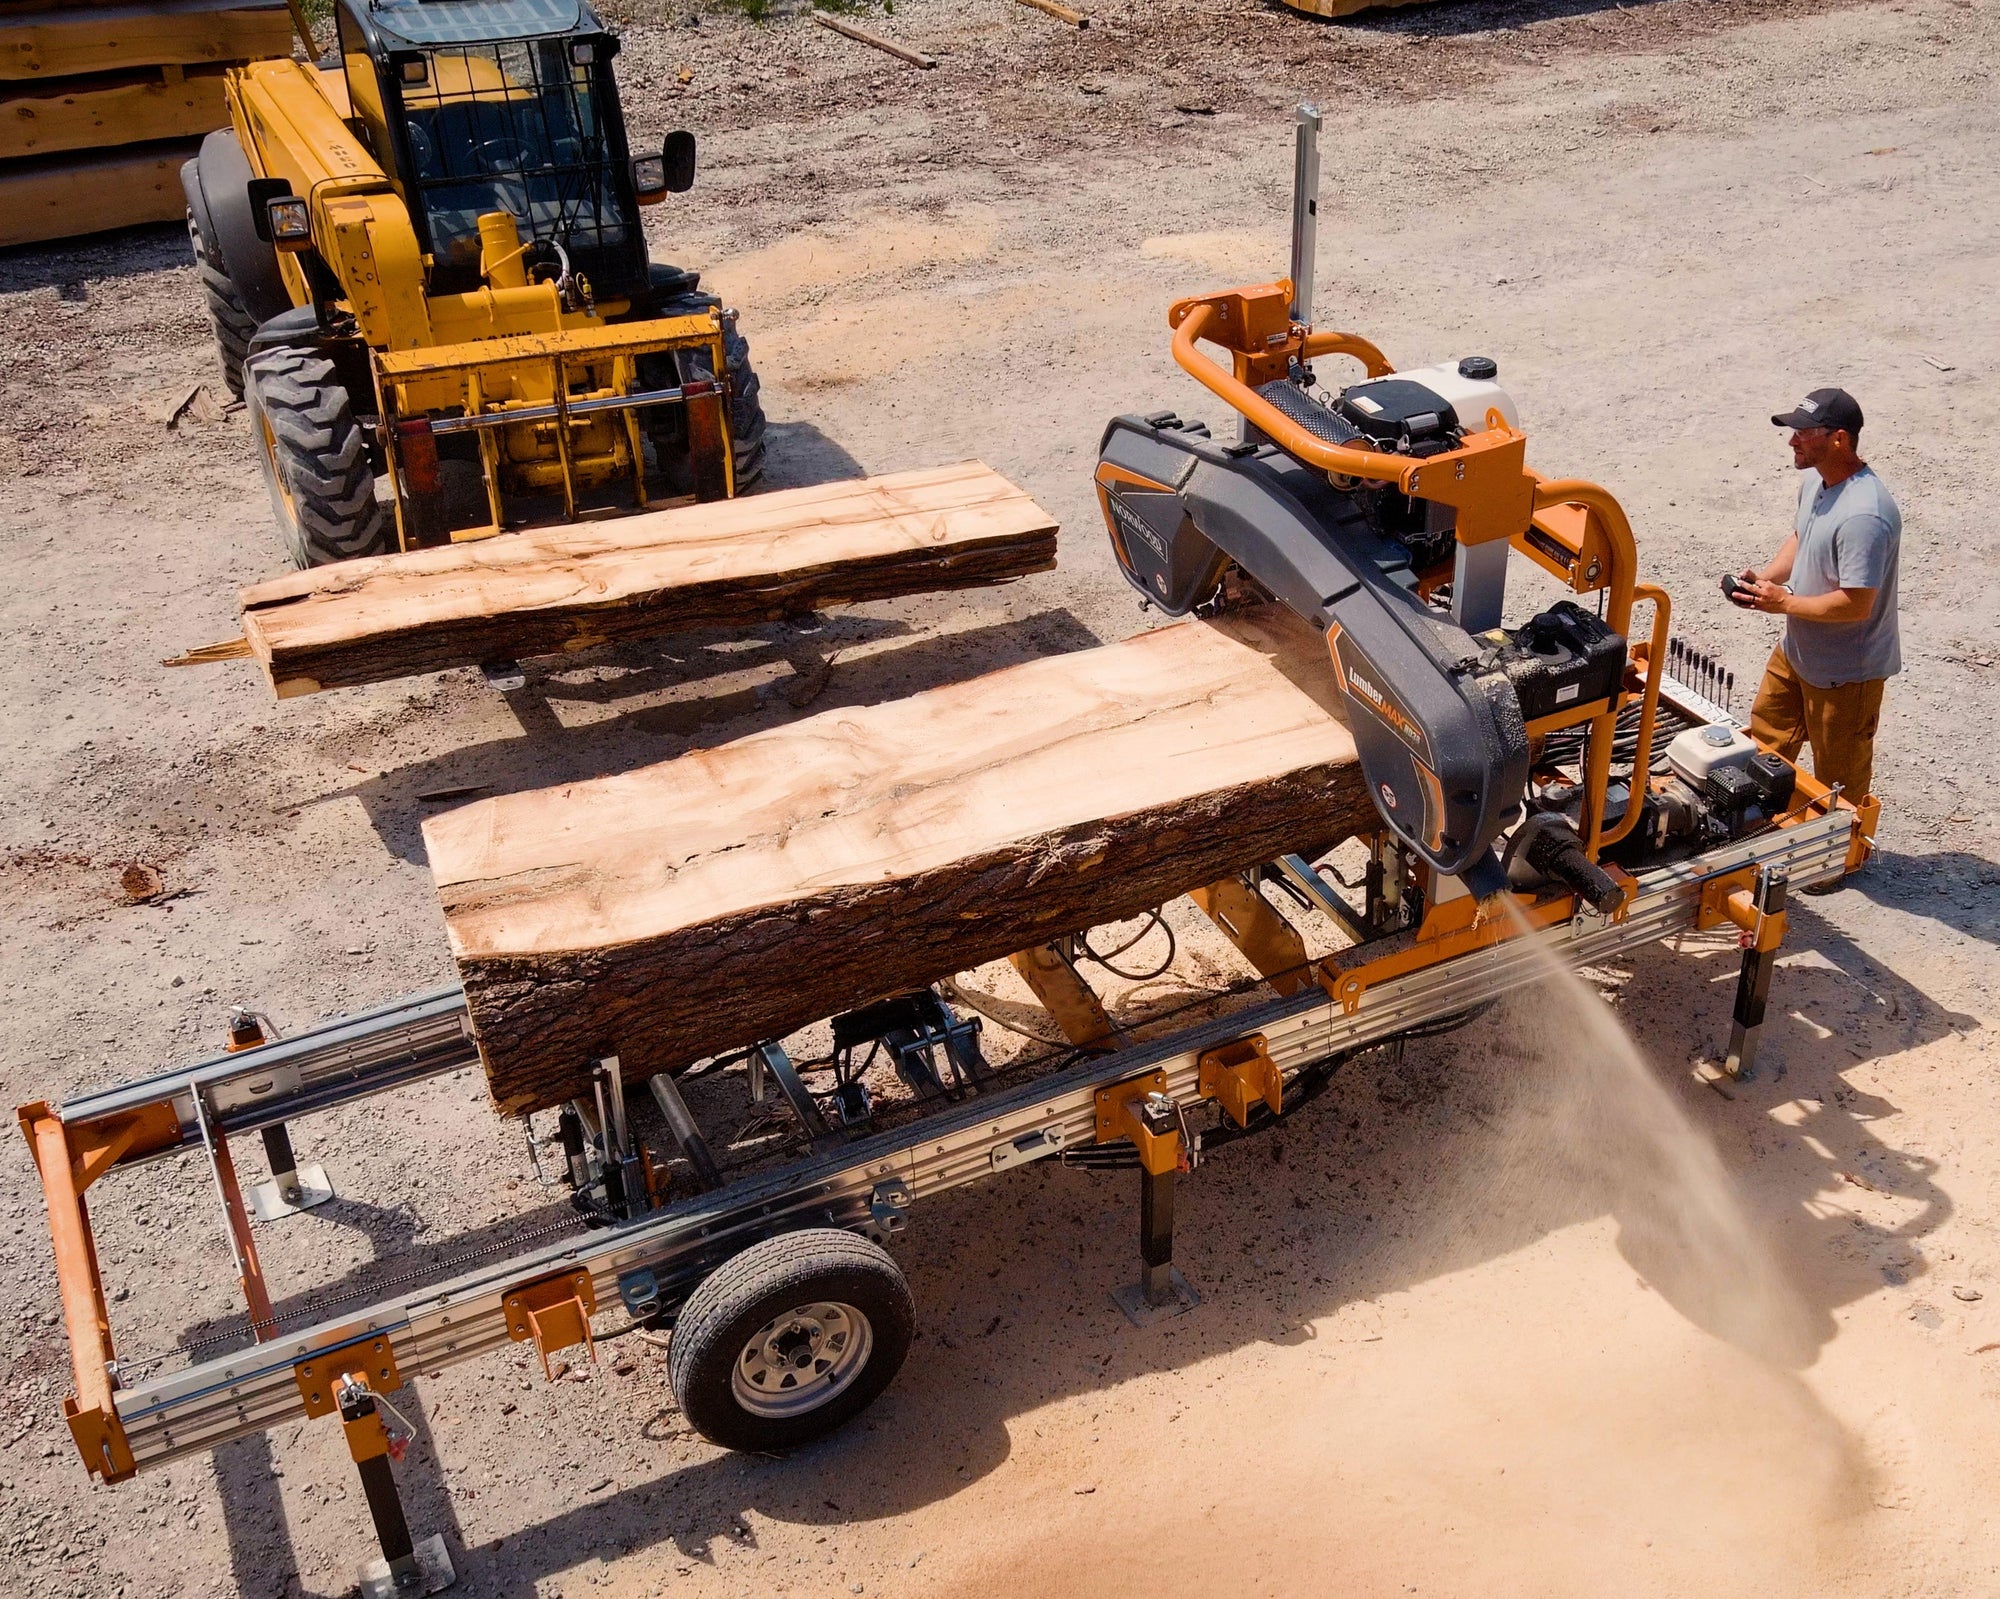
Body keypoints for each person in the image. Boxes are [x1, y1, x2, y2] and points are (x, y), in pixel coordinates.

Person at [1729, 387, 1900, 892]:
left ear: (1839, 439)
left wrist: (1783, 603)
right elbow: (1801, 538)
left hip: (1847, 670)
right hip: (1799, 649)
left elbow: (1856, 603)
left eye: (1803, 434)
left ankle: (1835, 860)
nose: (1792, 443)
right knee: (1764, 740)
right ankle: (1756, 828)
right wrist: (1766, 579)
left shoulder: (1865, 514)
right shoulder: (1818, 485)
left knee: (1837, 776)